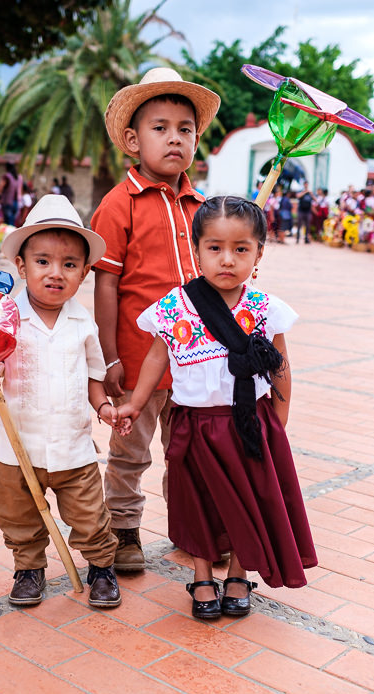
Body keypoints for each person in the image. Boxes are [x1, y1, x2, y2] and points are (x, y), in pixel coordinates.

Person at [115, 196, 317, 620]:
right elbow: (156, 357)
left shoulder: (265, 308)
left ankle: (240, 574)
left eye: (241, 249)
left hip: (249, 424)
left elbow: (279, 364)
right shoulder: (175, 306)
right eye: (215, 248)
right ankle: (203, 575)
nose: (227, 259)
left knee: (250, 501)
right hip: (194, 424)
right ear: (196, 251)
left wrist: (278, 421)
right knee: (197, 503)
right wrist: (135, 402)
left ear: (259, 253)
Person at [91, 67, 220, 572]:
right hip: (138, 361)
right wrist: (110, 356)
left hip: (195, 360)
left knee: (188, 454)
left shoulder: (203, 207)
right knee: (130, 451)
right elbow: (105, 285)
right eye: (160, 127)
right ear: (132, 139)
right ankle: (123, 531)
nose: (174, 138)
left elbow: (217, 277)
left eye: (185, 129)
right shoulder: (117, 204)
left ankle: (191, 530)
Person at [0, 194, 126, 608]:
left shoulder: (83, 323)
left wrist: (105, 409)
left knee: (90, 515)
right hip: (18, 447)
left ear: (84, 273)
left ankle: (101, 567)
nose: (55, 273)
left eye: (69, 264)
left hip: (73, 446)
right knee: (18, 514)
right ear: (22, 267)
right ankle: (28, 568)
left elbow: (94, 376)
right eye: (42, 262)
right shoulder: (5, 320)